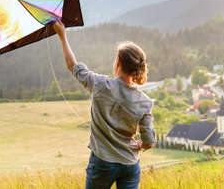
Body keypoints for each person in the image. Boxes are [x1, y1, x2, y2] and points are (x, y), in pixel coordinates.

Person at [52, 20, 155, 189]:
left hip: (102, 162)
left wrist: (62, 36)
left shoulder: (100, 85)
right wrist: (140, 145)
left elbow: (73, 66)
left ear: (119, 63)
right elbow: (149, 142)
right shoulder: (144, 102)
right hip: (130, 165)